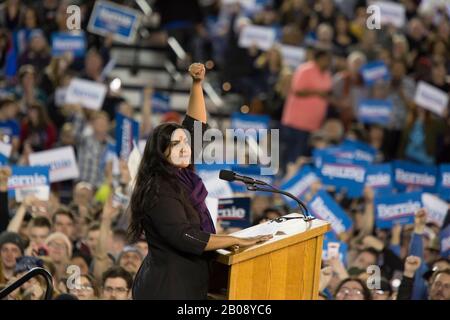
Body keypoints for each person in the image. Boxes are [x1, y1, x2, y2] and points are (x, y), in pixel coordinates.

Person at [129, 63, 272, 300]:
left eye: (185, 142)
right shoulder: (158, 189)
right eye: (176, 144)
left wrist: (197, 84)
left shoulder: (180, 173)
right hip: (166, 290)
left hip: (188, 285)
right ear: (161, 152)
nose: (185, 148)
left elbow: (196, 125)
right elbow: (185, 236)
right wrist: (236, 239)